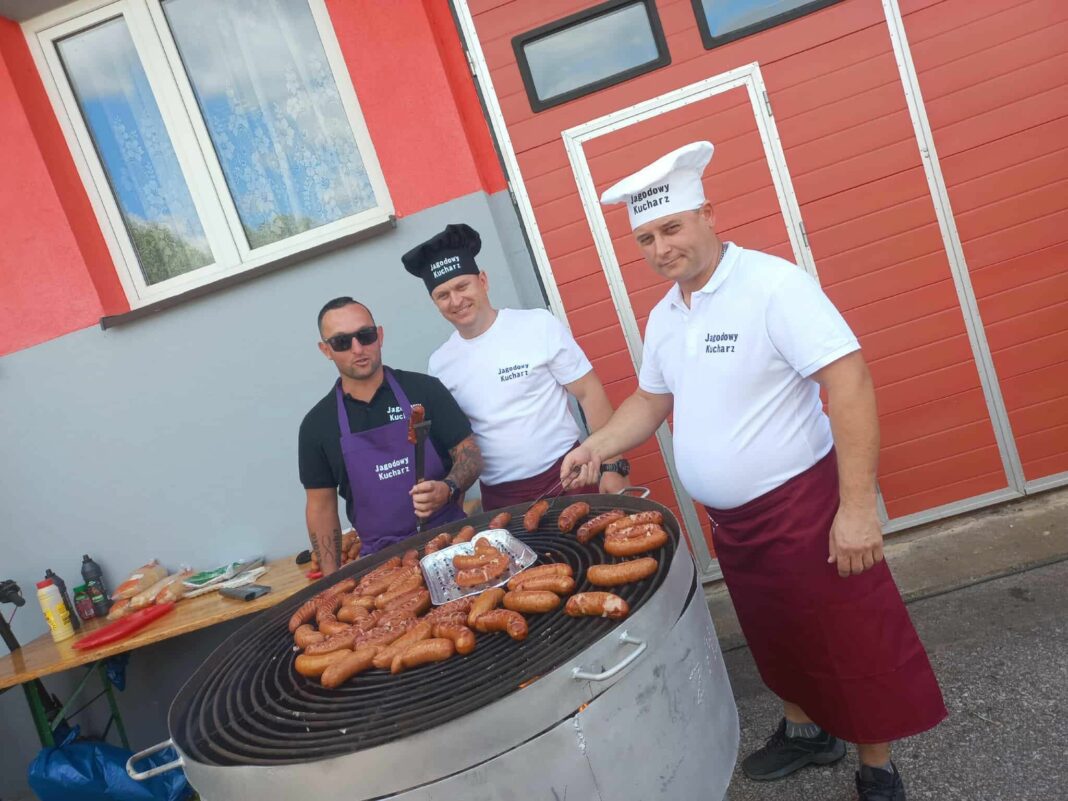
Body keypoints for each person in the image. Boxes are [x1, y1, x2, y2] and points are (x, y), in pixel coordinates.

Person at [561, 142, 945, 801]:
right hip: (734, 522)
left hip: (805, 506)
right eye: (646, 237)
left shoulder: (773, 284)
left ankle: (876, 765)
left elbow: (848, 380)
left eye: (672, 228)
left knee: (849, 636)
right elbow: (652, 401)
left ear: (707, 214)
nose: (660, 248)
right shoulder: (665, 316)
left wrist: (856, 508)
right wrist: (597, 443)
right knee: (776, 632)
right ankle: (806, 732)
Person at [401, 223, 628, 511]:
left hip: (569, 476)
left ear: (483, 281)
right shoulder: (440, 363)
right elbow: (455, 442)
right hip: (502, 501)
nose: (456, 301)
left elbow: (589, 392)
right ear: (434, 302)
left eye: (462, 286)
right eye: (443, 295)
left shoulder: (536, 324)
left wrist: (612, 466)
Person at [299, 297, 482, 572]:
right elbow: (321, 509)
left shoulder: (425, 390)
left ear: (380, 335)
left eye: (366, 335)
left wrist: (449, 488)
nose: (358, 348)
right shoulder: (317, 425)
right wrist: (331, 581)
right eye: (341, 342)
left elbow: (471, 456)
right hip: (383, 567)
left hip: (453, 544)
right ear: (326, 350)